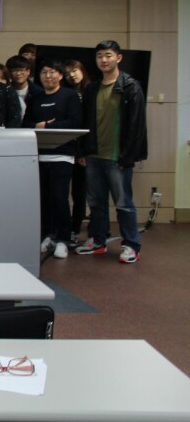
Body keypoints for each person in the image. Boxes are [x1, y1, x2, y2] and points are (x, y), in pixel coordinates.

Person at [76, 40, 147, 264]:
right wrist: (83, 152)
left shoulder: (131, 86)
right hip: (94, 155)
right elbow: (85, 123)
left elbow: (137, 125)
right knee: (96, 203)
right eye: (100, 56)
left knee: (124, 204)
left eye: (108, 55)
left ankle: (131, 245)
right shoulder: (92, 88)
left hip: (119, 157)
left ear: (118, 58)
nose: (104, 60)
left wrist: (129, 156)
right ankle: (98, 241)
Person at [23, 59, 83, 259]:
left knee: (59, 198)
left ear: (60, 75)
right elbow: (25, 123)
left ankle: (63, 239)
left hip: (62, 155)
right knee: (43, 199)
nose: (48, 76)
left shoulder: (69, 96)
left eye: (52, 72)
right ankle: (46, 235)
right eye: (44, 72)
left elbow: (74, 122)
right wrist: (38, 125)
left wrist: (46, 126)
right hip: (38, 156)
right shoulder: (35, 98)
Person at [65, 58, 92, 244]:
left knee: (80, 194)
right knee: (61, 193)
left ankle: (75, 229)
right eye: (68, 73)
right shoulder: (65, 93)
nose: (72, 75)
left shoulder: (91, 91)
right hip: (66, 147)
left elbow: (89, 124)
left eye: (74, 70)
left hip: (84, 150)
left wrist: (82, 152)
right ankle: (64, 228)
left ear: (82, 70)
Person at [6, 54, 43, 121]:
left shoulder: (38, 92)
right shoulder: (5, 91)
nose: (18, 74)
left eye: (21, 70)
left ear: (28, 71)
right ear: (9, 72)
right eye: (14, 70)